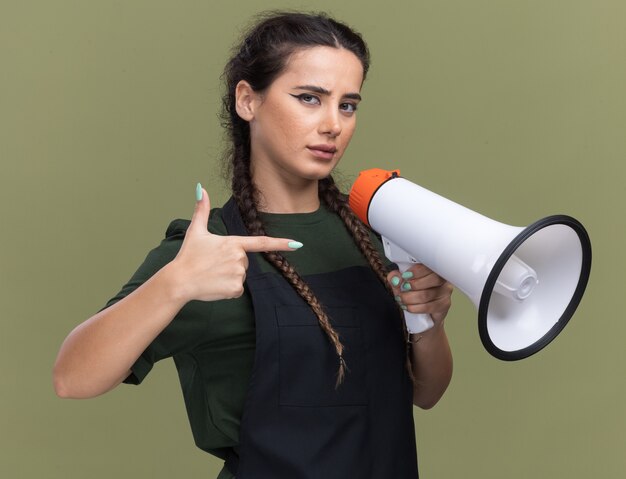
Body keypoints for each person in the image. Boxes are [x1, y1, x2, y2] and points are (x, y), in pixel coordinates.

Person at [54, 11, 453, 478]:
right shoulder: (207, 249)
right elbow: (72, 378)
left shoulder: (377, 232)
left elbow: (425, 393)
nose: (333, 125)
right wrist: (174, 284)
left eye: (348, 105)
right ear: (248, 100)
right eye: (309, 98)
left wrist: (428, 321)